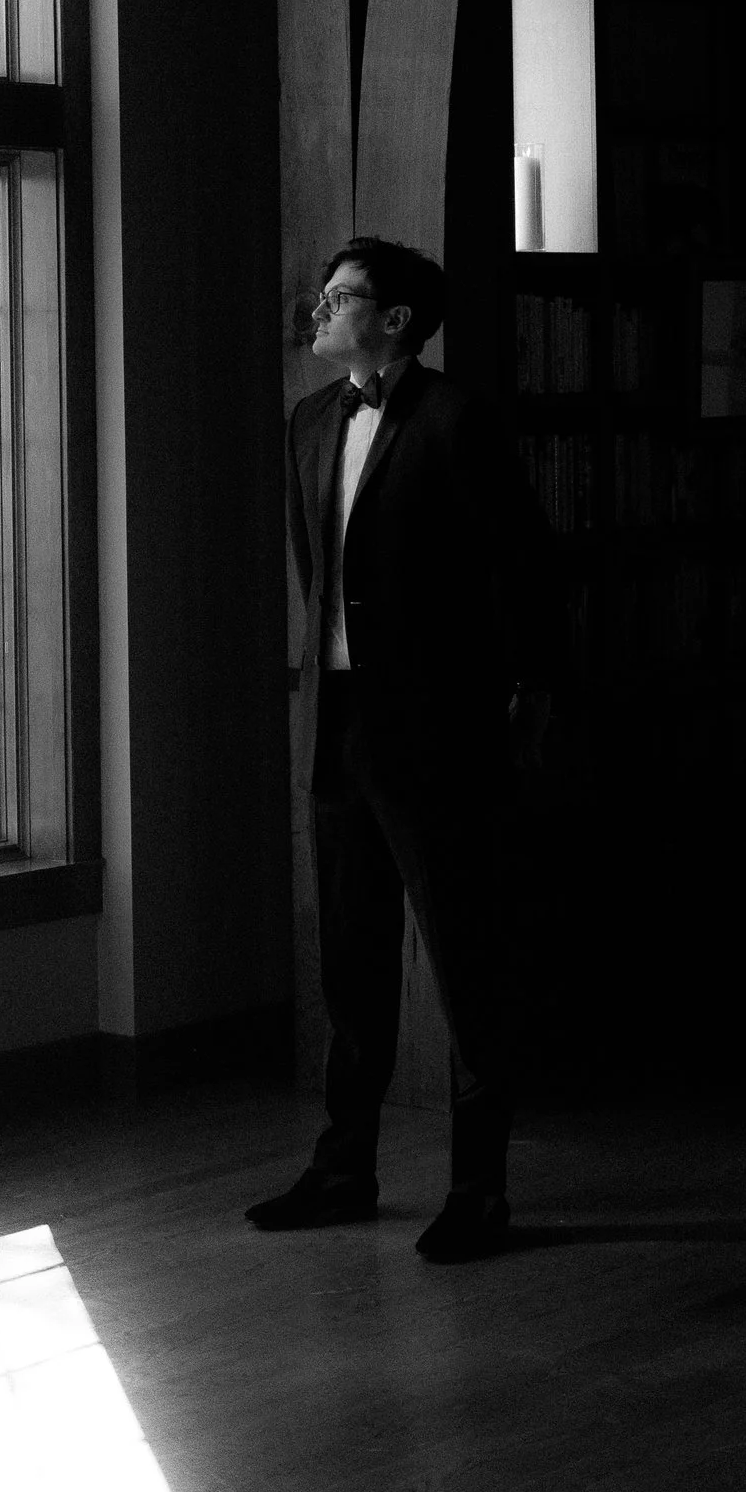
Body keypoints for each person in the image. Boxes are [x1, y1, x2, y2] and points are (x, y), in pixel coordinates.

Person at [249, 236, 561, 1262]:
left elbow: (517, 565)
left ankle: (481, 1191)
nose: (318, 308)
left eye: (339, 296)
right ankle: (344, 1168)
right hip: (334, 725)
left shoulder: (457, 420)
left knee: (466, 959)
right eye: (322, 292)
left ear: (393, 320)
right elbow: (315, 574)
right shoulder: (309, 420)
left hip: (436, 730)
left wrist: (526, 692)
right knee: (349, 960)